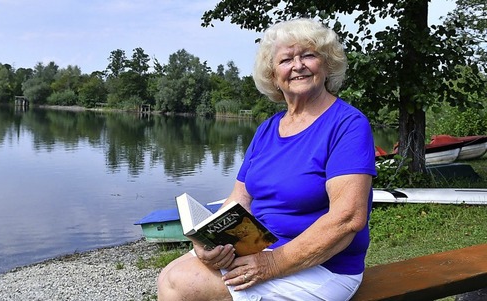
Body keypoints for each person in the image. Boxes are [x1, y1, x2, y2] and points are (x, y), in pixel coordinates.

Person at [157, 18, 377, 301]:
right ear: (273, 75)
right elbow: (239, 199)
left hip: (322, 266)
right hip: (257, 250)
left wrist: (272, 264)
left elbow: (347, 219)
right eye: (286, 59)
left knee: (182, 284)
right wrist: (207, 240)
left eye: (308, 55)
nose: (298, 65)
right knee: (170, 274)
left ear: (326, 65)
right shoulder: (267, 130)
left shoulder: (347, 125)